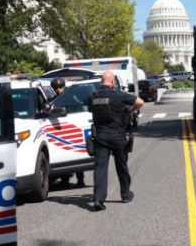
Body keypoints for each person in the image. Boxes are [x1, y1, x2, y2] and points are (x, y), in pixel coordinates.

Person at [88, 70, 144, 211]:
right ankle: (125, 195)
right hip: (117, 136)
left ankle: (98, 199)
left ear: (101, 82)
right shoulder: (118, 94)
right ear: (112, 82)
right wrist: (130, 111)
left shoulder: (93, 96)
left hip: (100, 136)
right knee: (121, 166)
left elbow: (91, 110)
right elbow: (140, 102)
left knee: (100, 168)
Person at [48, 77, 84, 186]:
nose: (58, 90)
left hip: (72, 128)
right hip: (59, 130)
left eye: (60, 87)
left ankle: (80, 179)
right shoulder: (52, 101)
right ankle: (65, 179)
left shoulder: (72, 99)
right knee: (64, 153)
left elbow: (80, 110)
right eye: (56, 88)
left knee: (77, 153)